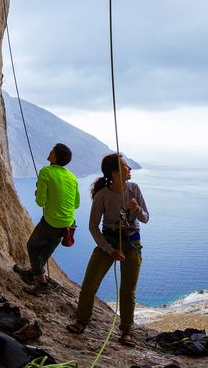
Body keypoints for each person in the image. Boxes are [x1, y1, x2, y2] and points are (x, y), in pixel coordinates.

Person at [68, 153, 149, 346]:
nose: (129, 169)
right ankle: (81, 321)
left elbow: (145, 218)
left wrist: (136, 209)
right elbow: (93, 226)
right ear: (115, 173)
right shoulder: (102, 195)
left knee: (128, 291)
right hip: (108, 243)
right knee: (89, 285)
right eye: (125, 166)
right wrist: (108, 249)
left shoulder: (134, 189)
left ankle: (126, 331)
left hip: (131, 244)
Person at [23, 143, 80, 294]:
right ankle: (32, 273)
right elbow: (77, 204)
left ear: (54, 155)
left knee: (32, 246)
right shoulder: (72, 177)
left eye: (52, 150)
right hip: (68, 224)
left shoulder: (46, 172)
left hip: (51, 223)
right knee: (45, 251)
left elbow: (40, 202)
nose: (50, 151)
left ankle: (42, 283)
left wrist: (41, 194)